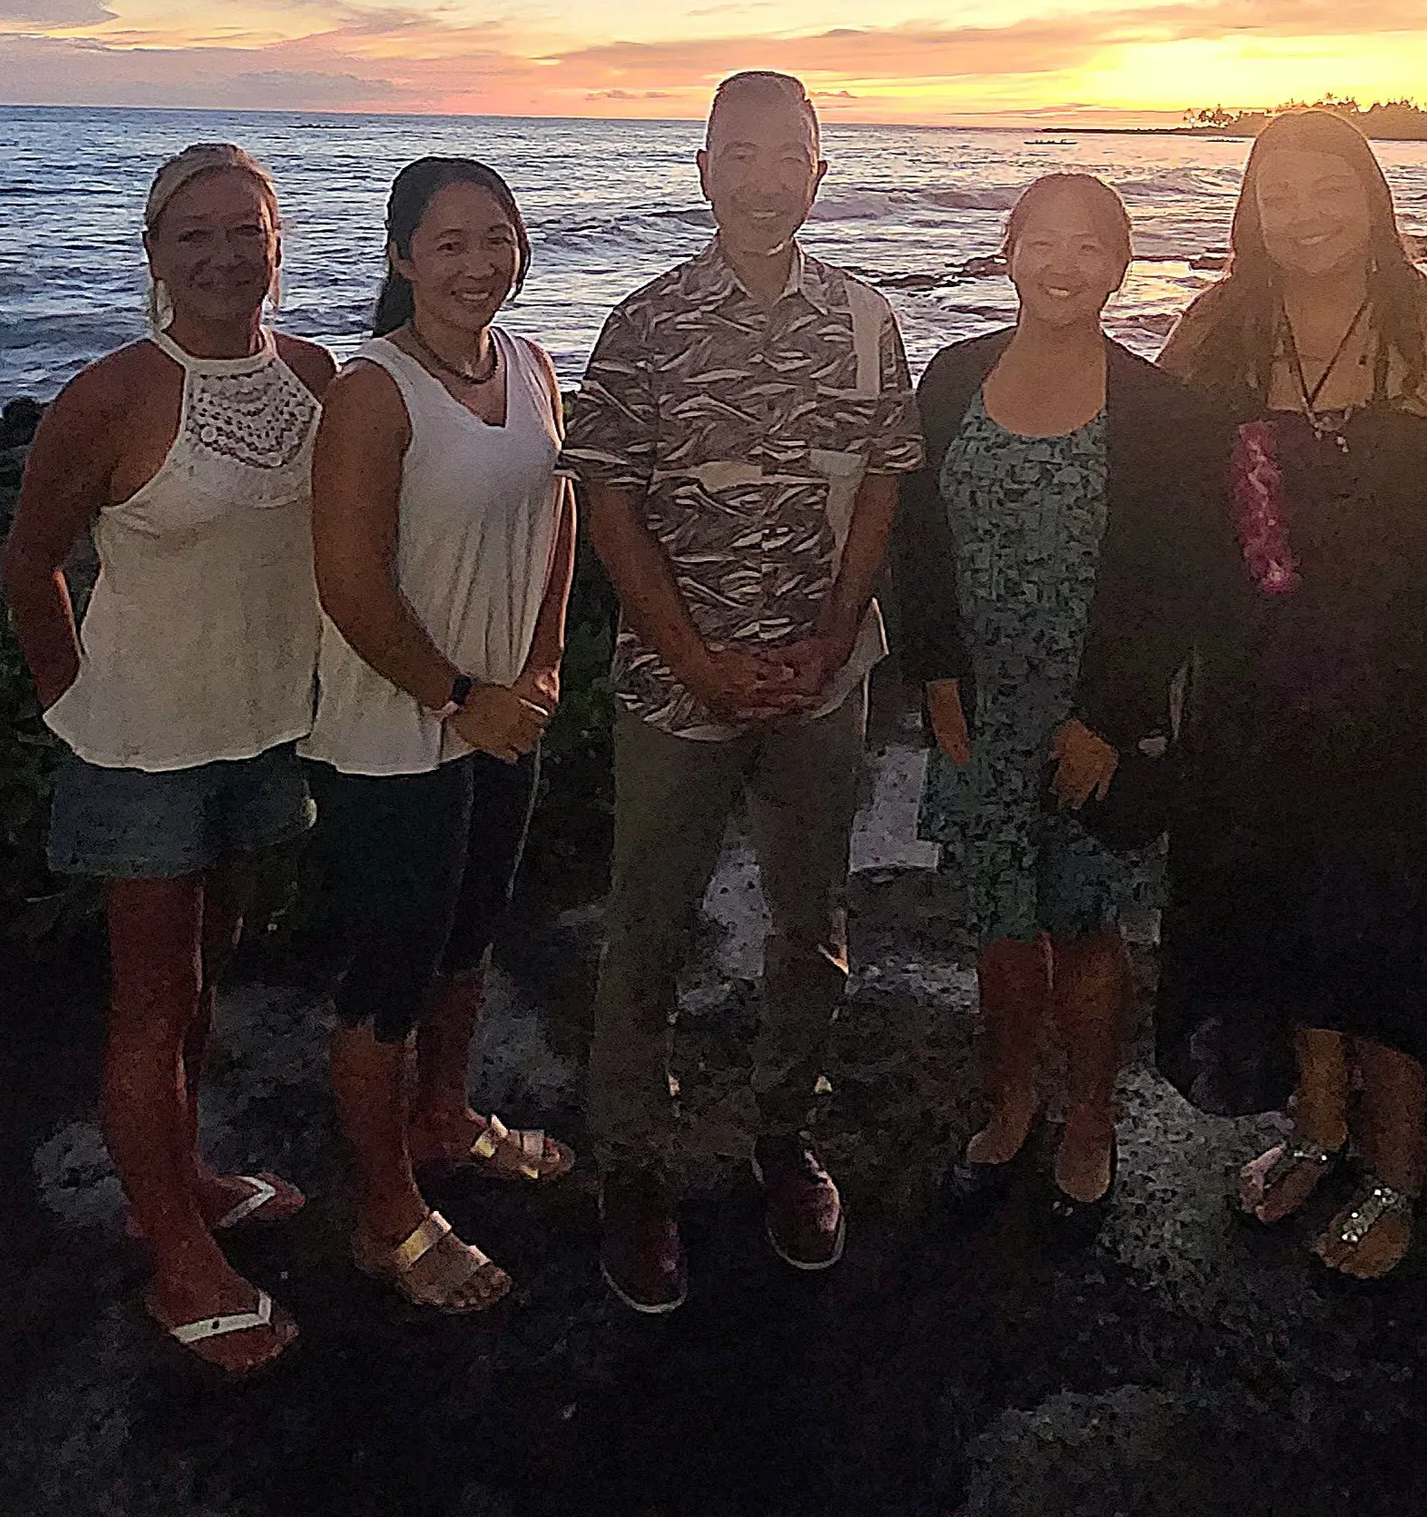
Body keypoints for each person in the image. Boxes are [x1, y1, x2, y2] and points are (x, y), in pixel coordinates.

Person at [571, 71, 925, 1314]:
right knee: (647, 929)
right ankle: (634, 1171)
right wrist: (693, 656)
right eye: (743, 152)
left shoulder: (869, 318)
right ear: (704, 166)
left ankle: (786, 1138)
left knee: (810, 921)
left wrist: (834, 640)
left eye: (793, 155)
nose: (767, 177)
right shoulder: (645, 322)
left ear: (821, 173)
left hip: (820, 684)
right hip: (678, 691)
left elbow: (884, 479)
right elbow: (607, 498)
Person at [3, 142, 333, 1380]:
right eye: (191, 233)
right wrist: (74, 700)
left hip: (266, 729)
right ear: (153, 254)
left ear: (276, 241)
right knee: (150, 1005)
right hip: (144, 747)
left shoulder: (312, 373)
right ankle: (175, 1255)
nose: (221, 254)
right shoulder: (109, 396)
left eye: (243, 228)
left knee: (211, 977)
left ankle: (188, 1172)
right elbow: (31, 564)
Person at [1152, 112, 1427, 1280]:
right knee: (1292, 913)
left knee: (1393, 923)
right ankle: (1318, 1126)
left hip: (1397, 692)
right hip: (1256, 684)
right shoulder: (1216, 329)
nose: (1301, 212)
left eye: (1327, 187)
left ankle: (1396, 1170)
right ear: (1250, 207)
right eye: (1276, 191)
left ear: (1373, 196)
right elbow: (1155, 486)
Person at [892, 171, 1234, 1233]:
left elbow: (1180, 578)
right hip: (981, 709)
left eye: (1089, 245)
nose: (1063, 263)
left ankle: (1091, 1115)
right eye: (1041, 239)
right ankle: (1010, 1099)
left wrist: (1112, 718)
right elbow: (918, 542)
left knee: (1085, 925)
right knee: (1001, 925)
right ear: (1008, 252)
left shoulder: (1161, 410)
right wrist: (934, 675)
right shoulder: (951, 377)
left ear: (1120, 265)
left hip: (1094, 716)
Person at [306, 158, 578, 1315]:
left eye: (497, 238)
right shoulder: (373, 390)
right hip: (390, 735)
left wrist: (546, 662)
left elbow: (561, 516)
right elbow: (348, 583)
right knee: (387, 980)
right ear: (402, 258)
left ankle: (447, 1115)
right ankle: (384, 1216)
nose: (479, 264)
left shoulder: (529, 364)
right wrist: (460, 693)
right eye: (451, 243)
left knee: (470, 938)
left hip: (503, 712)